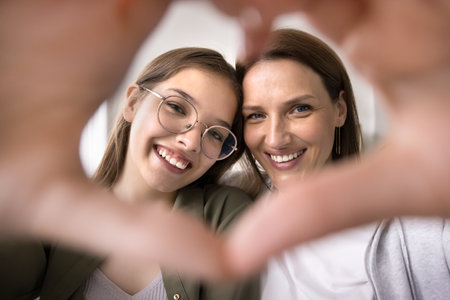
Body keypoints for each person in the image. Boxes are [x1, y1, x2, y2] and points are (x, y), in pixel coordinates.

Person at [37, 47, 259, 299]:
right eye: (176, 107)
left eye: (216, 134)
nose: (192, 142)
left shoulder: (225, 214)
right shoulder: (59, 207)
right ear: (132, 103)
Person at [227, 28, 373, 299]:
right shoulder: (230, 202)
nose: (275, 139)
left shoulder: (401, 228)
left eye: (299, 109)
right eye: (256, 115)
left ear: (339, 110)